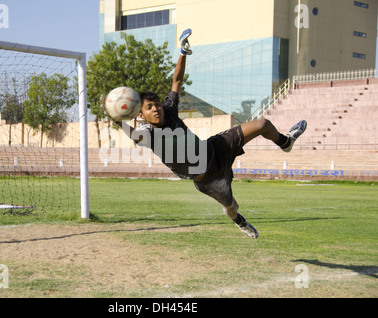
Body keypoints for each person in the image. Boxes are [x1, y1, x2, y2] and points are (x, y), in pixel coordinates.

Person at [113, 29, 307, 239]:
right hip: (208, 179)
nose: (156, 109)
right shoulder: (147, 133)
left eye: (156, 104)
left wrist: (182, 52)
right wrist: (118, 120)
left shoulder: (169, 110)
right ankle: (240, 222)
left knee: (262, 124)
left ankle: (285, 142)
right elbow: (133, 136)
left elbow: (176, 81)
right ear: (141, 115)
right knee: (232, 206)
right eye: (149, 107)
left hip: (216, 148)